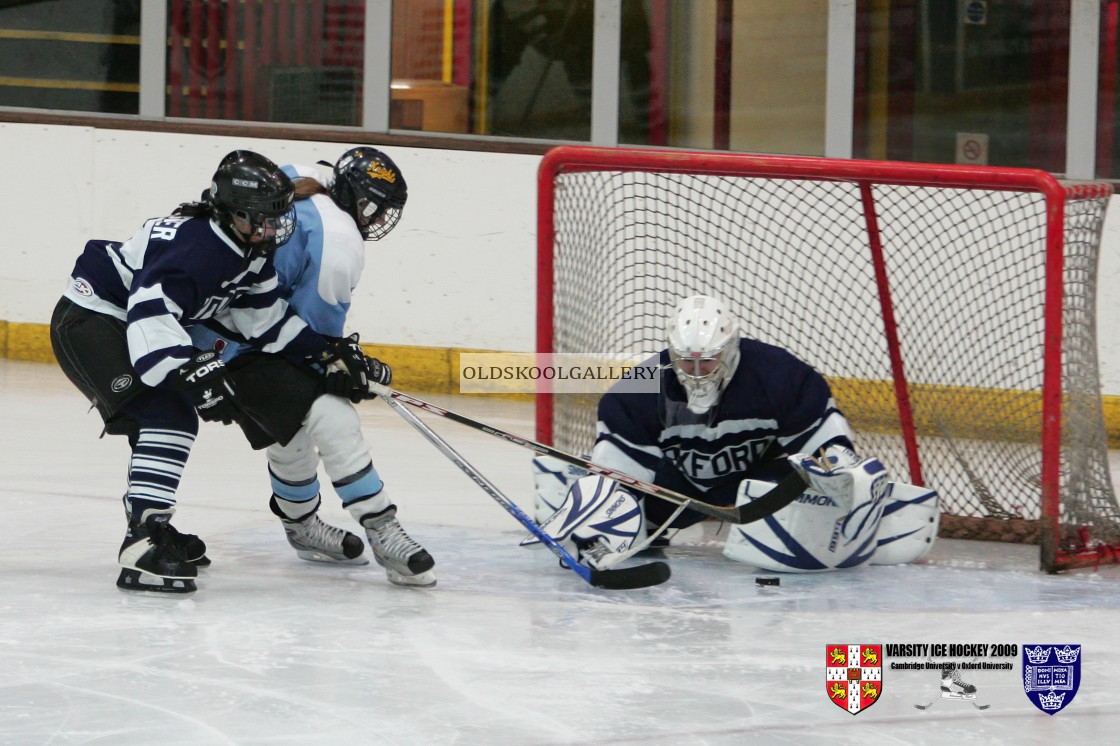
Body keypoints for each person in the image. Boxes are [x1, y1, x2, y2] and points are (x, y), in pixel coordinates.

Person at [50, 150, 372, 594]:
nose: (273, 229)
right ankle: (143, 544)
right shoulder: (197, 248)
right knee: (166, 413)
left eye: (278, 217)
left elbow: (264, 322)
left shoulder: (248, 248)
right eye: (261, 218)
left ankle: (152, 528)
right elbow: (149, 312)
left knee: (169, 415)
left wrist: (324, 351)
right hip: (91, 319)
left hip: (124, 323)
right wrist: (189, 371)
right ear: (231, 212)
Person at [530, 294, 939, 572]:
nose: (695, 372)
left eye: (706, 362)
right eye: (685, 362)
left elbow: (826, 445)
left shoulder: (780, 376)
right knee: (612, 514)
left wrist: (837, 473)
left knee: (815, 494)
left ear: (730, 350)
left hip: (756, 488)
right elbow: (615, 469)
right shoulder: (637, 390)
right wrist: (595, 516)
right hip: (677, 491)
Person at [188, 147, 435, 588]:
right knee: (330, 413)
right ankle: (380, 527)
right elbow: (312, 342)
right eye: (374, 208)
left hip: (201, 319)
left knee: (294, 419)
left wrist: (331, 359)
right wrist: (337, 364)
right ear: (356, 196)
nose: (377, 220)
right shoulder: (340, 240)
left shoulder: (303, 174)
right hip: (227, 339)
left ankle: (301, 526)